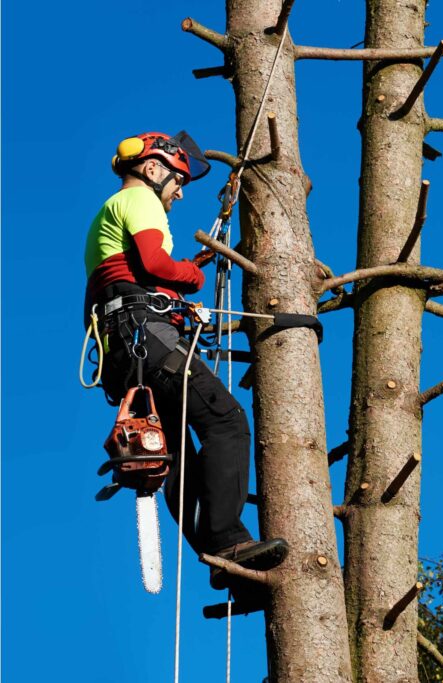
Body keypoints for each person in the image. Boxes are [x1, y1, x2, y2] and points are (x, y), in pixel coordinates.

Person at [84, 131, 287, 591]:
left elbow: (132, 277)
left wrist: (175, 287)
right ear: (152, 170)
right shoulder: (139, 201)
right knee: (226, 420)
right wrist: (191, 275)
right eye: (177, 179)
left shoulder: (106, 219)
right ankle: (229, 543)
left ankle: (223, 562)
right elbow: (156, 264)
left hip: (123, 352)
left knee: (177, 456)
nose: (179, 191)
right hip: (148, 341)